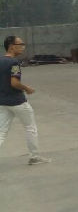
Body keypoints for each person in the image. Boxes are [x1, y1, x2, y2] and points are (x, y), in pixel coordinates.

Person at [0, 35, 48, 165]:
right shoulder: (14, 63)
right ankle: (34, 157)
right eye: (20, 44)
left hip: (3, 103)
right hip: (18, 102)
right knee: (30, 128)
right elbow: (14, 83)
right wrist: (27, 88)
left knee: (1, 132)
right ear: (11, 47)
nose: (23, 47)